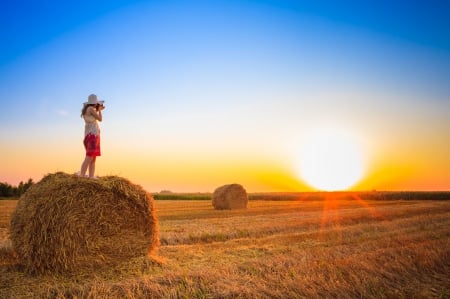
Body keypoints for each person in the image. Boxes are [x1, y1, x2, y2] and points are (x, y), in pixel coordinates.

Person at [78, 94, 105, 178]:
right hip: (92, 135)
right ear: (95, 103)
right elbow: (100, 119)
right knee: (89, 157)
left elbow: (94, 118)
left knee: (93, 158)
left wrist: (97, 109)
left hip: (90, 135)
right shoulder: (91, 109)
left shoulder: (87, 109)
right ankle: (82, 176)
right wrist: (100, 110)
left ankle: (91, 176)